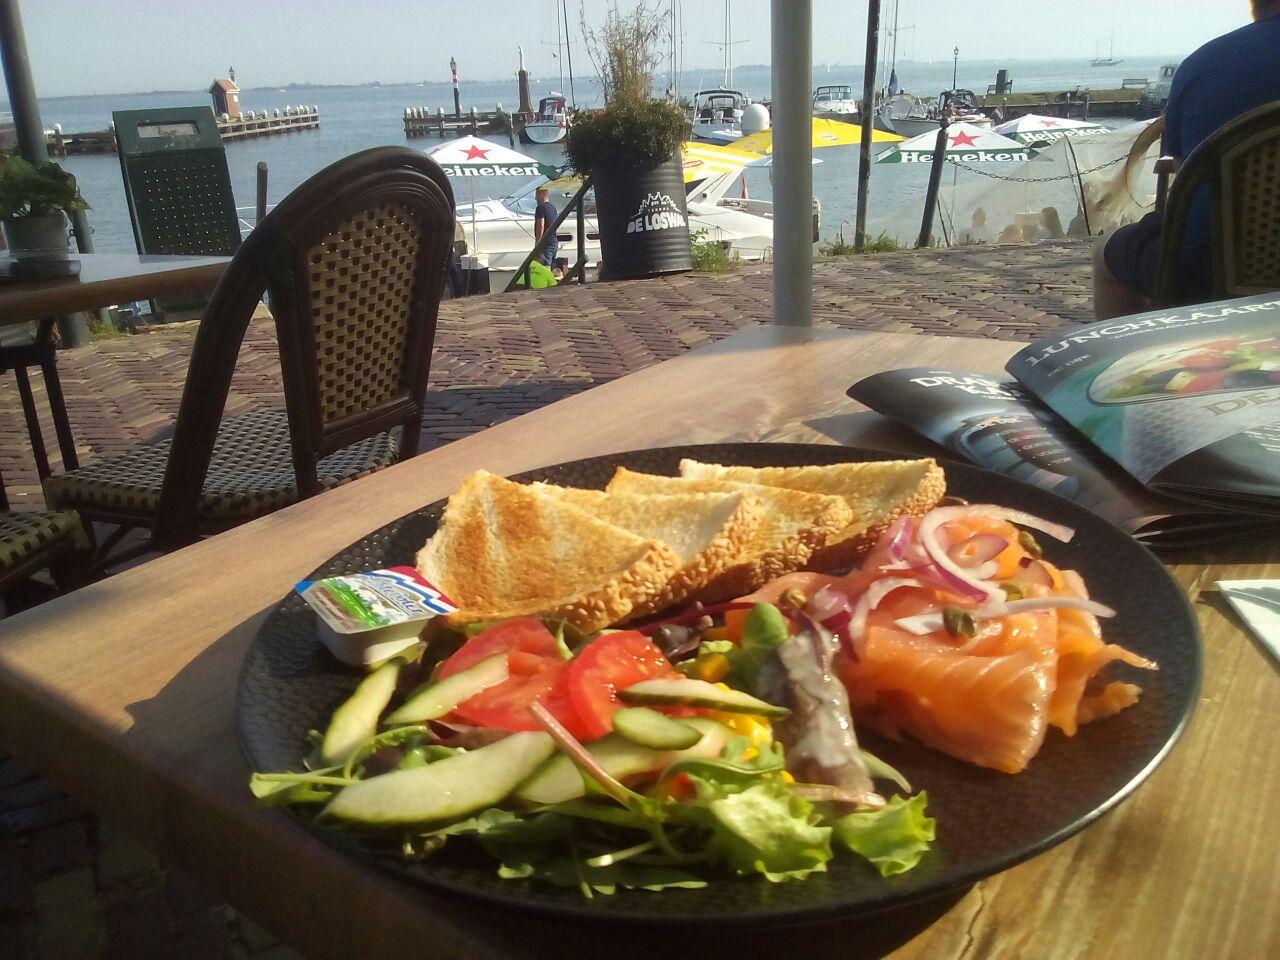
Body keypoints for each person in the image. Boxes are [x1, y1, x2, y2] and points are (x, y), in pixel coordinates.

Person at [1093, 1, 1280, 318]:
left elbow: (1184, 166)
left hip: (1212, 265)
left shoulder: (1204, 65)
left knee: (1104, 254)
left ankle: (1145, 362)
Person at [533, 186, 558, 268]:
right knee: (551, 267)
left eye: (536, 195)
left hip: (545, 243)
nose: (535, 198)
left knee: (544, 267)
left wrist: (537, 244)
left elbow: (541, 225)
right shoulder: (553, 208)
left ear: (541, 195)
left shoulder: (541, 207)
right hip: (553, 242)